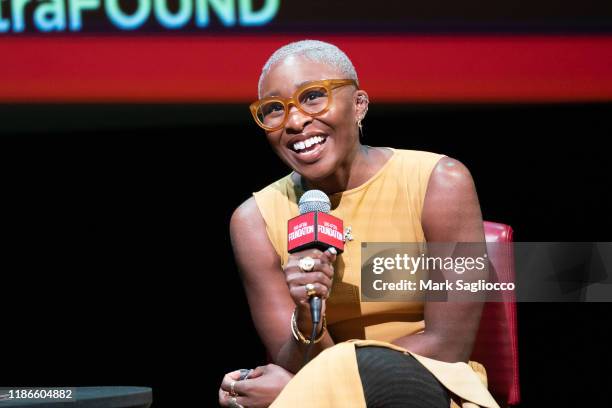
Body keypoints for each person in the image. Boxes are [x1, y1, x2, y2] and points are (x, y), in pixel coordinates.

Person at [219, 40, 499, 408]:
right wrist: (306, 316)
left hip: (431, 387)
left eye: (313, 97)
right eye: (274, 109)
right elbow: (288, 361)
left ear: (359, 105)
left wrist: (307, 389)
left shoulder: (440, 181)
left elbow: (448, 345)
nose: (296, 121)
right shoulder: (254, 220)